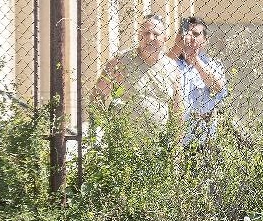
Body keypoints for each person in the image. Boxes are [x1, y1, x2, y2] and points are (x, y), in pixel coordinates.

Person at [92, 14, 180, 128]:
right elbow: (97, 95)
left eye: (156, 34)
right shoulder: (120, 62)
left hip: (159, 143)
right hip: (124, 142)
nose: (150, 38)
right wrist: (104, 127)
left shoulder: (172, 67)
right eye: (146, 33)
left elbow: (177, 109)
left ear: (165, 38)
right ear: (139, 36)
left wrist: (177, 142)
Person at [167, 15, 227, 146]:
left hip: (202, 140)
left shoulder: (212, 64)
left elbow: (218, 88)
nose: (190, 38)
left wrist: (195, 61)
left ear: (205, 41)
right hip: (174, 140)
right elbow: (161, 67)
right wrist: (177, 47)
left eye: (195, 34)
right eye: (186, 34)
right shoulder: (171, 61)